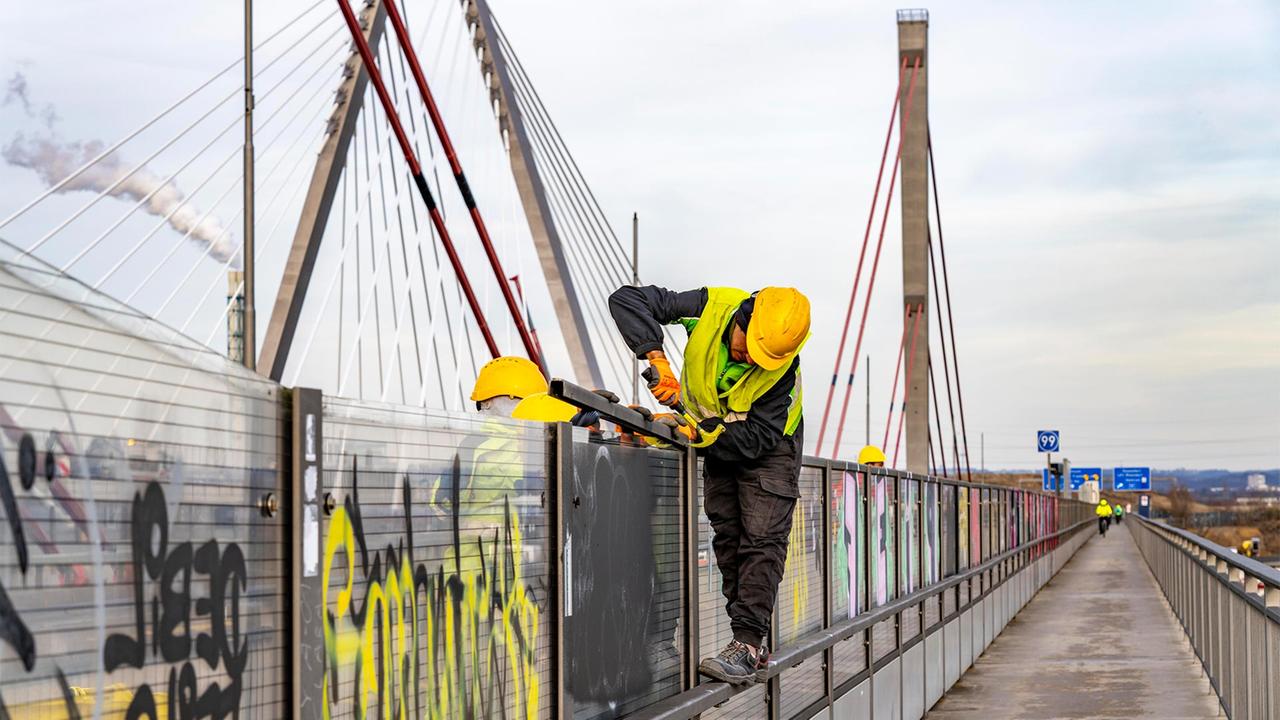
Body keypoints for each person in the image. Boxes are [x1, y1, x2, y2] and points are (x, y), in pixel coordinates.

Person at [609, 284, 810, 685]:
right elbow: (627, 299)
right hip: (717, 442)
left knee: (761, 541)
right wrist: (656, 357)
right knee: (728, 540)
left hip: (770, 451)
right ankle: (750, 643)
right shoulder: (710, 307)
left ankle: (747, 643)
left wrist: (689, 431)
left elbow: (757, 439)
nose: (751, 358)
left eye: (760, 357)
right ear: (743, 318)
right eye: (749, 346)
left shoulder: (781, 367)